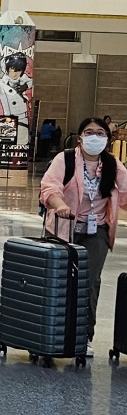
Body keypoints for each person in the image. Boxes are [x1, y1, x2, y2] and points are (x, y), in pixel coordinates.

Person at [39, 117, 127, 352]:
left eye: (100, 133)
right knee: (57, 280)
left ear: (107, 139)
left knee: (89, 282)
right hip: (62, 228)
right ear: (79, 138)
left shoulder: (113, 165)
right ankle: (49, 333)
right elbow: (49, 187)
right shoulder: (65, 159)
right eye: (89, 132)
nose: (94, 137)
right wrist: (60, 205)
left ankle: (83, 336)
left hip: (96, 232)